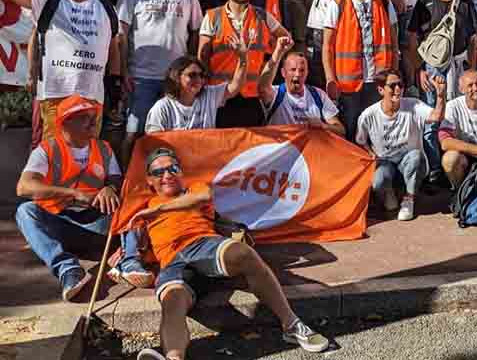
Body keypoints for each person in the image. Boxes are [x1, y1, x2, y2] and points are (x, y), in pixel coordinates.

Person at [131, 147, 333, 360]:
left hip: (203, 244)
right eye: (158, 172)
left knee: (244, 254)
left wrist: (158, 211)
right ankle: (173, 358)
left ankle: (291, 324)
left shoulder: (193, 190)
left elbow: (204, 196)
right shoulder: (142, 204)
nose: (167, 175)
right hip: (171, 262)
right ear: (149, 180)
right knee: (172, 302)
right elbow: (130, 237)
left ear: (181, 172)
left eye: (173, 168)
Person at [16, 95, 141, 298]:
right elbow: (24, 187)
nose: (93, 121)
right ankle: (69, 269)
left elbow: (117, 180)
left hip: (99, 225)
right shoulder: (47, 149)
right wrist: (73, 193)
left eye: (93, 116)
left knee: (134, 200)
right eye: (84, 117)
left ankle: (129, 261)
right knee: (25, 211)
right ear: (66, 122)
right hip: (61, 223)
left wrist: (109, 187)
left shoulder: (104, 148)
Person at [1, 0, 121, 141]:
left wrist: (116, 84)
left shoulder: (107, 7)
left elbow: (113, 48)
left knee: (85, 156)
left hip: (91, 97)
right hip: (55, 96)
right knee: (53, 156)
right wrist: (32, 73)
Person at [117, 0, 203, 163]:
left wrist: (191, 70)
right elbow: (121, 34)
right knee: (134, 134)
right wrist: (124, 71)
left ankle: (165, 178)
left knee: (172, 137)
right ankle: (128, 182)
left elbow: (196, 34)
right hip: (141, 78)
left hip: (175, 81)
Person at [322, 0, 399, 142]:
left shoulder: (385, 3)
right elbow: (327, 47)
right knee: (350, 132)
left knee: (378, 134)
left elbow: (395, 44)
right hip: (349, 86)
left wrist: (394, 74)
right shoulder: (338, 4)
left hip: (378, 82)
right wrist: (330, 78)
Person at [199, 0, 289, 128]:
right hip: (222, 95)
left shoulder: (262, 15)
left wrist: (271, 60)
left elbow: (286, 39)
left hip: (251, 95)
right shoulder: (213, 16)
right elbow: (202, 56)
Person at [357, 69, 446, 221]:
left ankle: (409, 199)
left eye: (400, 85)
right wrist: (371, 154)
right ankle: (390, 192)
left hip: (409, 162)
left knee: (416, 157)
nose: (398, 89)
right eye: (392, 86)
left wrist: (440, 95)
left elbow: (437, 116)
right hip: (386, 163)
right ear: (380, 90)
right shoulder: (368, 115)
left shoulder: (413, 105)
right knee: (378, 182)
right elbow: (360, 142)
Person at [407, 0, 477, 103]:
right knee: (432, 110)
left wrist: (471, 70)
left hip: (459, 66)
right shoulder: (424, 1)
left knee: (457, 110)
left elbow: (472, 40)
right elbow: (412, 38)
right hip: (432, 67)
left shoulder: (466, 3)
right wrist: (420, 69)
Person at [257, 36, 345, 134]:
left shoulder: (318, 95)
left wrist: (323, 126)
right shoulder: (276, 94)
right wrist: (278, 52)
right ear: (283, 73)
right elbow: (263, 86)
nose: (298, 74)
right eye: (293, 70)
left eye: (302, 70)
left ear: (307, 73)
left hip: (311, 148)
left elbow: (340, 130)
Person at [145, 55, 244, 133]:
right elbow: (154, 144)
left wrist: (243, 58)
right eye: (192, 75)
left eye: (201, 75)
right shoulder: (162, 107)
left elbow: (235, 86)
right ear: (176, 77)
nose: (198, 80)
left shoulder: (209, 95)